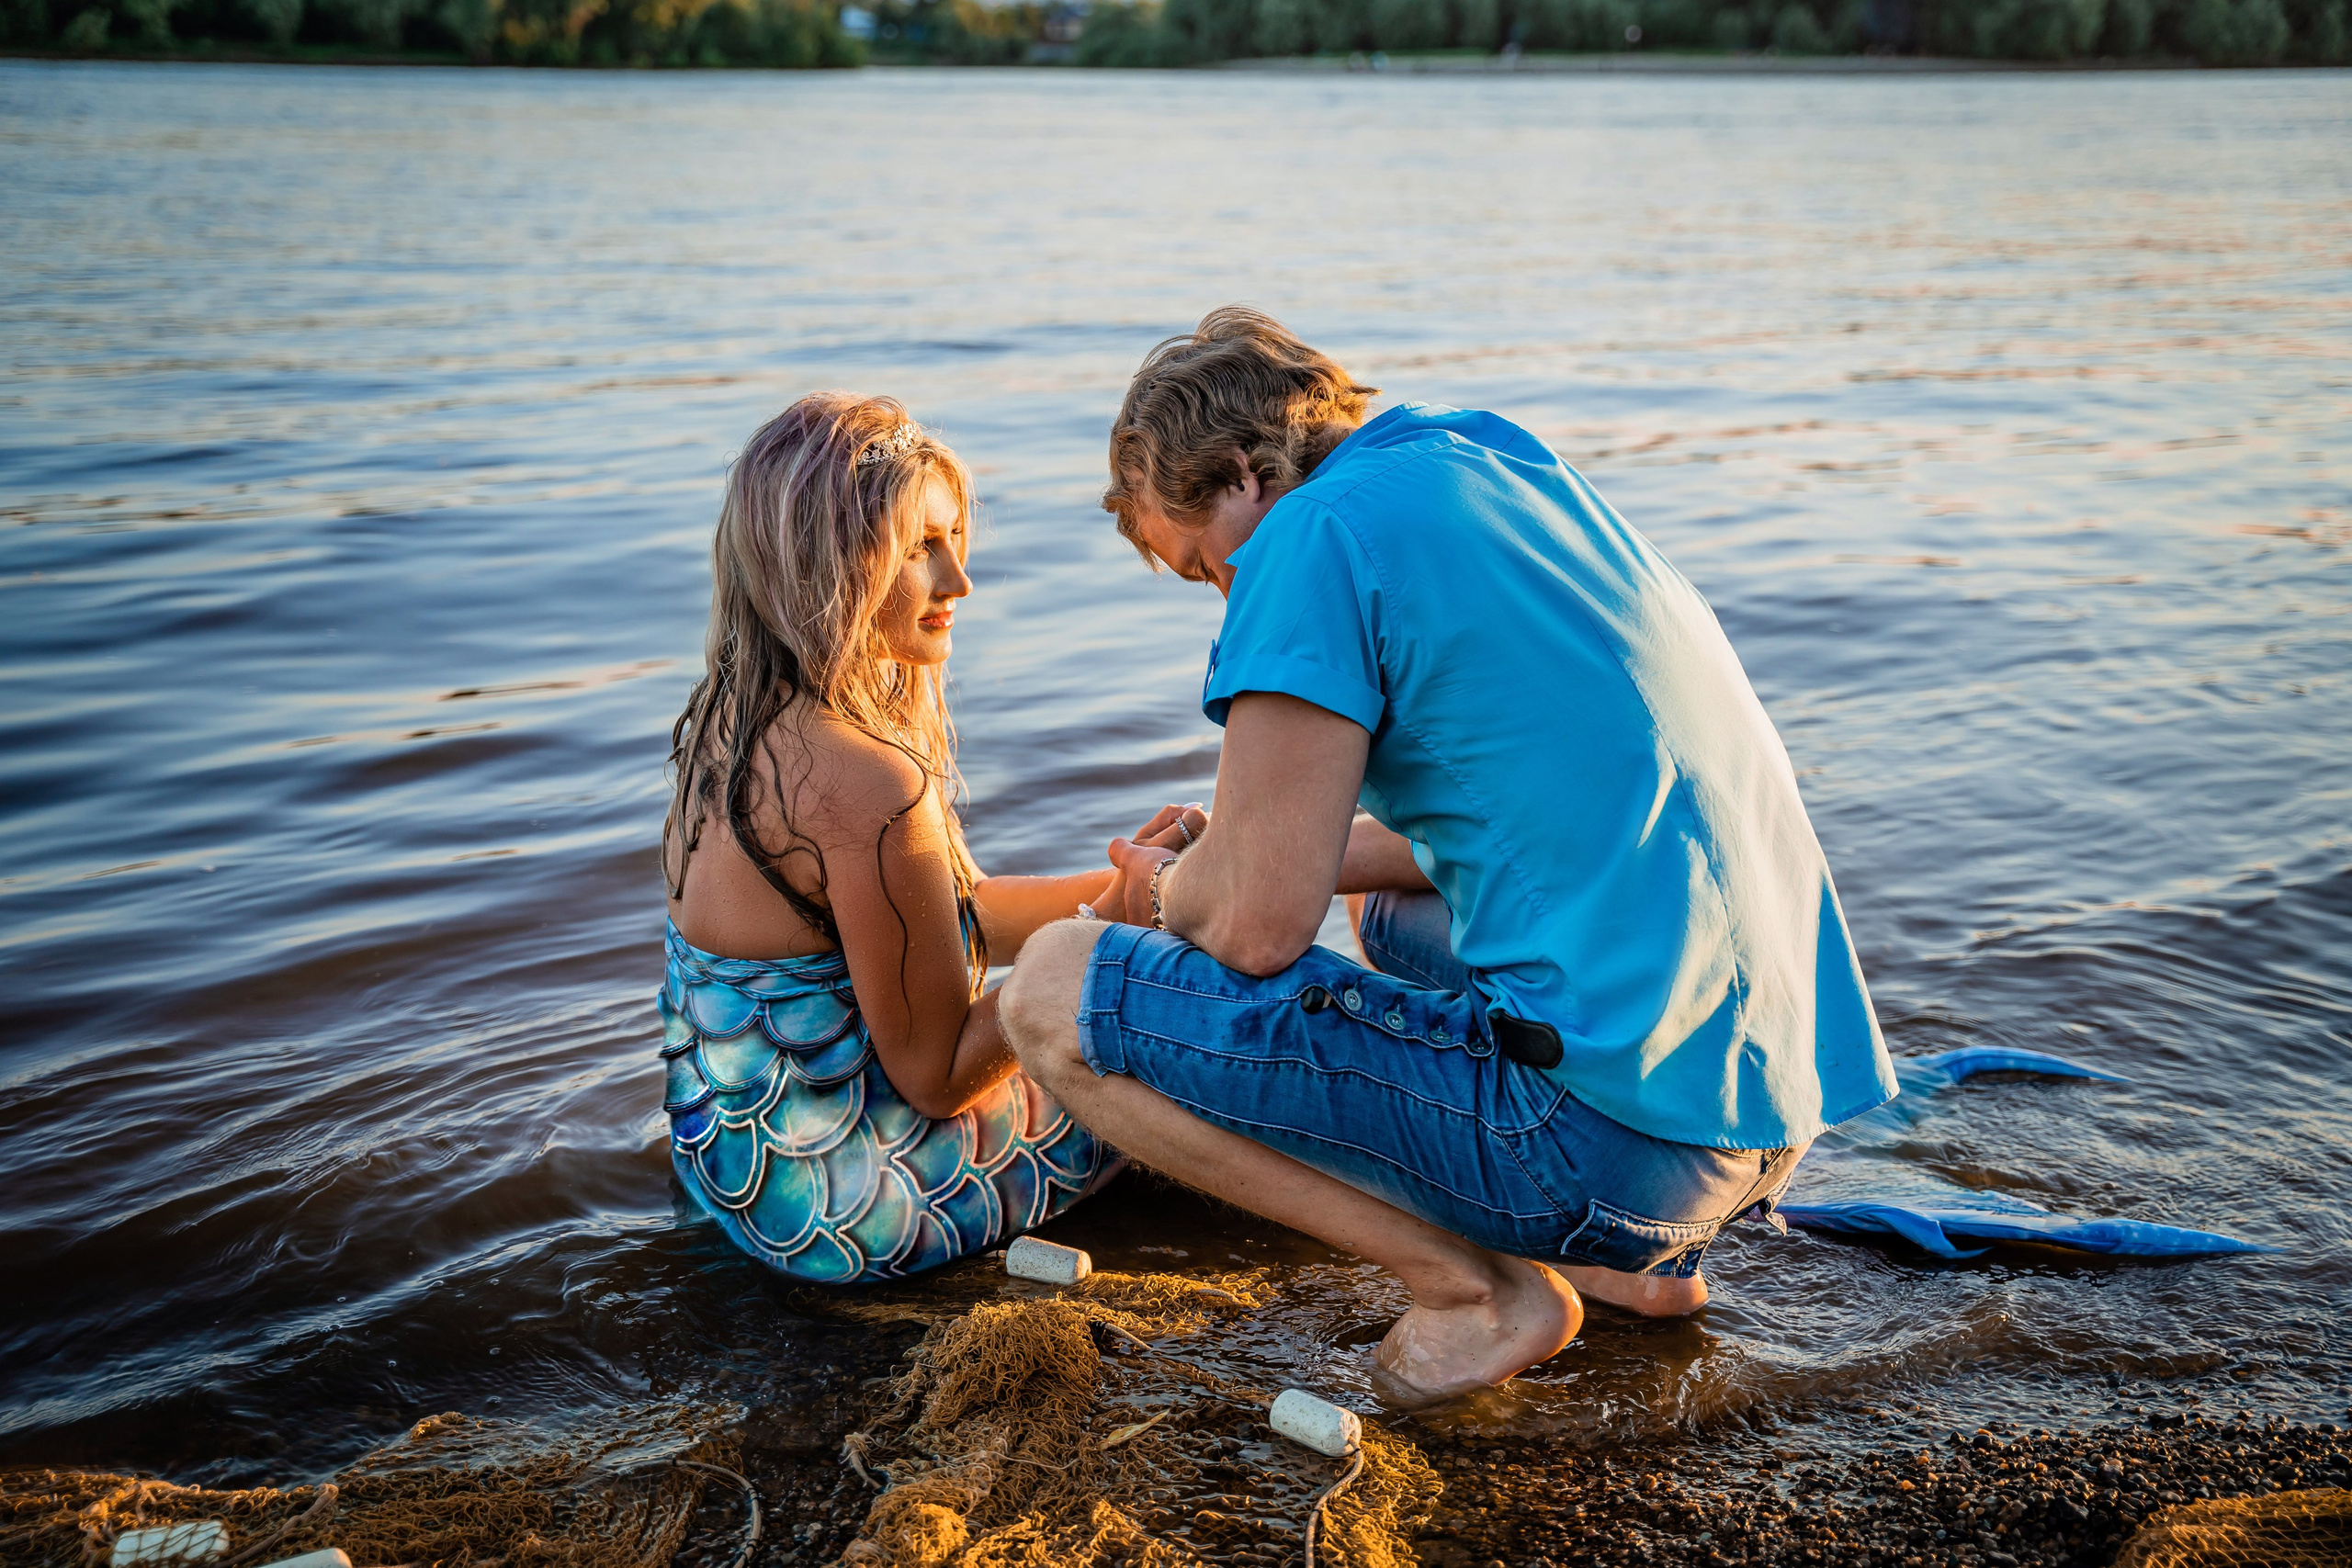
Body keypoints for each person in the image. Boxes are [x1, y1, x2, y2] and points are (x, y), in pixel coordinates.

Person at [999, 309, 1900, 1398]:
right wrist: (1254, 846)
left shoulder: (1307, 538)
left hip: (1611, 1154)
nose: (1226, 596)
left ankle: (1476, 1292)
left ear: (1243, 475)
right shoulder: (1484, 457)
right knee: (1389, 909)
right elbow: (1513, 822)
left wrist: (1167, 891)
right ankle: (1636, 1274)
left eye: (1206, 568)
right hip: (1761, 1110)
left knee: (1051, 990)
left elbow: (1254, 931)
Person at [657, 393, 1198, 1283]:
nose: (958, 581)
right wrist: (1112, 927)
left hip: (731, 1170)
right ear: (827, 566)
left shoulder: (730, 724)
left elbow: (949, 915)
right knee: (1171, 1020)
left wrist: (1135, 884)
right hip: (857, 1207)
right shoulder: (865, 781)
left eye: (952, 539)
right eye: (919, 548)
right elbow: (939, 1076)